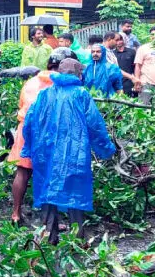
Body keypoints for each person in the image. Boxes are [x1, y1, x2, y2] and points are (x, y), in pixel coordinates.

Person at [21, 58, 115, 245]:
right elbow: (94, 124)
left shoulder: (44, 94)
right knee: (75, 195)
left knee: (48, 192)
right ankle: (76, 240)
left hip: (45, 154)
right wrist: (106, 149)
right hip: (74, 154)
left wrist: (29, 148)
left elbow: (29, 123)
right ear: (78, 74)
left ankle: (49, 236)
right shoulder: (81, 94)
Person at [8, 48, 75, 223]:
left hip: (25, 130)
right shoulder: (62, 85)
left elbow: (22, 105)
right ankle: (50, 222)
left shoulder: (31, 82)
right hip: (48, 133)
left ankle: (15, 213)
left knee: (22, 172)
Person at [110, 32, 139, 97]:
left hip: (129, 81)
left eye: (121, 39)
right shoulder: (112, 54)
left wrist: (136, 80)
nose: (119, 42)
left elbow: (136, 67)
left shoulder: (131, 52)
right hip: (117, 81)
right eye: (117, 40)